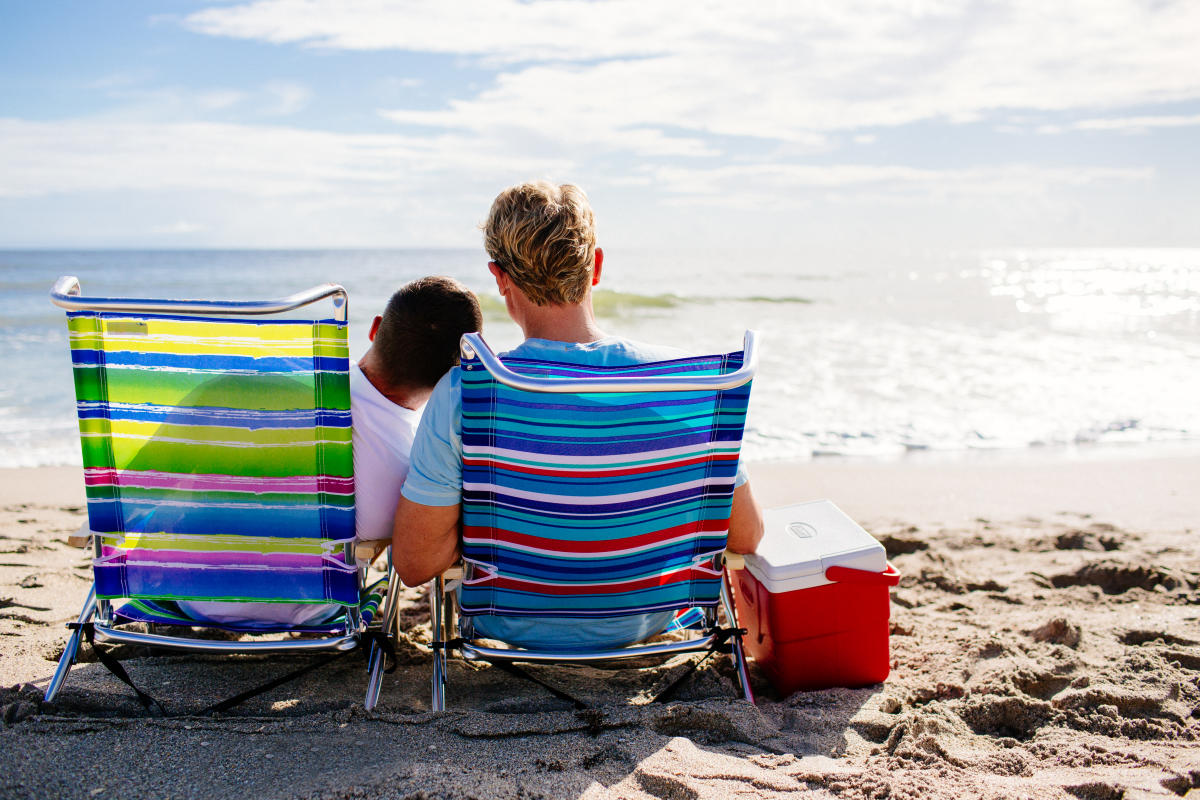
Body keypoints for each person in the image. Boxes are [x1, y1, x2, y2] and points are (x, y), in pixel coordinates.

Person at [393, 180, 764, 650]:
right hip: (649, 620)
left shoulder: (466, 392)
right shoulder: (690, 386)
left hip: (506, 623)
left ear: (500, 277)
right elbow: (746, 536)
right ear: (597, 266)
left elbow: (415, 563)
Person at [178, 276, 483, 627]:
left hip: (193, 597)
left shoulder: (250, 386)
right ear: (457, 370)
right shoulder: (410, 466)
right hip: (312, 611)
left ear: (375, 328)